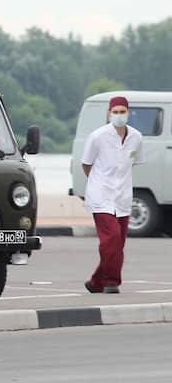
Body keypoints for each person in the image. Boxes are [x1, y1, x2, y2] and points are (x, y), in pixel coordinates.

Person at [81, 95, 144, 294]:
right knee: (112, 239)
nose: (118, 116)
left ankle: (94, 282)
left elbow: (133, 161)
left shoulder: (136, 137)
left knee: (118, 243)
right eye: (115, 112)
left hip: (123, 196)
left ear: (128, 113)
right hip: (101, 195)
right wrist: (97, 182)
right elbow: (86, 163)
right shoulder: (97, 136)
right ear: (109, 114)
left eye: (122, 112)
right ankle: (111, 281)